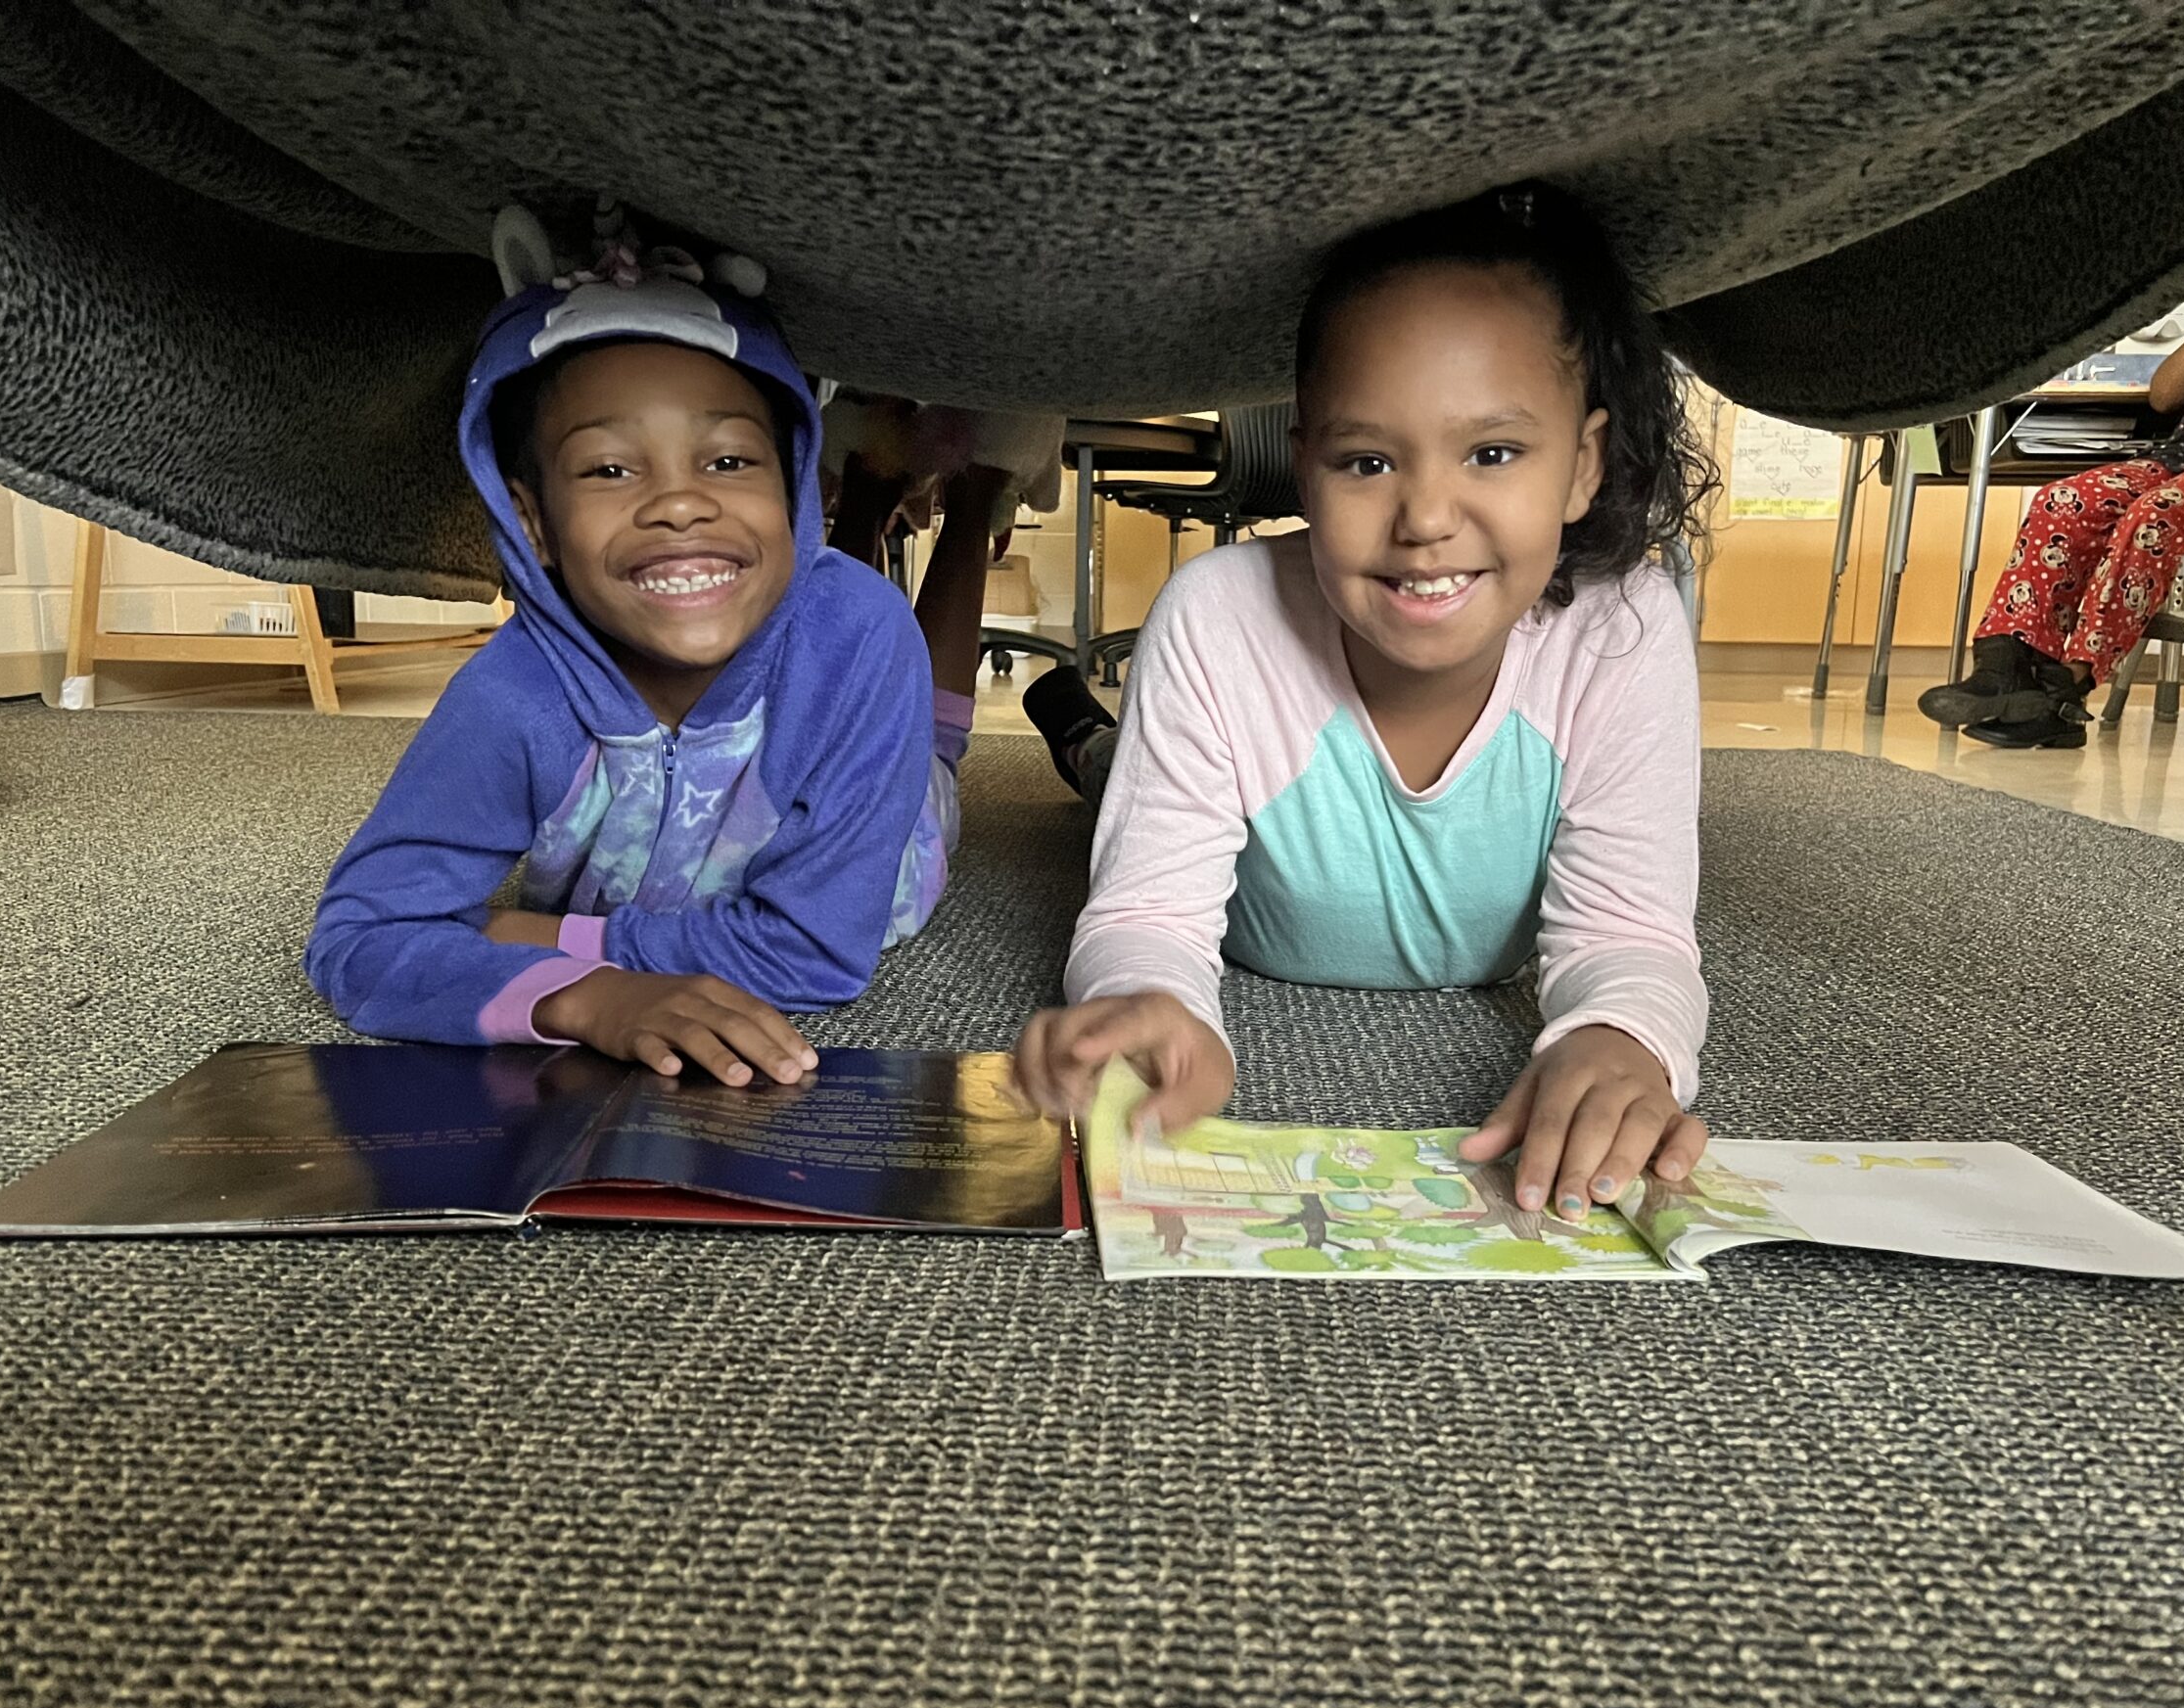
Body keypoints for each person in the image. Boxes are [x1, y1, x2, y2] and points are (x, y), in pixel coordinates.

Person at [1013, 185, 1717, 1224]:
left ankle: (1085, 731)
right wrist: (1150, 1003)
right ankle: (1076, 727)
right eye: (1366, 461)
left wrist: (1618, 1039)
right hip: (1221, 818)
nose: (1425, 518)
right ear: (1303, 467)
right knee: (1112, 774)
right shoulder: (1216, 615)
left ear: (1582, 466)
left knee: (1114, 760)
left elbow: (1631, 930)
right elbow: (1147, 908)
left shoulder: (1623, 626)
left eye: (1491, 452)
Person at [306, 222, 962, 1084]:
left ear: (796, 483)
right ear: (532, 521)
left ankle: (965, 491)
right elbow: (360, 936)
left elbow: (817, 954)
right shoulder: (512, 697)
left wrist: (551, 936)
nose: (679, 504)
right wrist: (585, 995)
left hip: (902, 827)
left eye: (729, 459)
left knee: (934, 761)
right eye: (610, 470)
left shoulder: (858, 636)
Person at [1918, 201, 2184, 748]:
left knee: (2155, 514)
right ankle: (2004, 667)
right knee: (2063, 501)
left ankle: (2066, 688)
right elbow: (2165, 393)